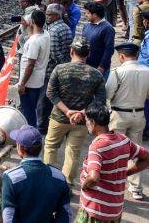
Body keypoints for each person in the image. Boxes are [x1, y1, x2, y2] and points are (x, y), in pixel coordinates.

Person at [43, 37, 105, 185]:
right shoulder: (96, 74)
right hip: (82, 122)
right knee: (73, 152)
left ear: (71, 51)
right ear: (88, 54)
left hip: (59, 118)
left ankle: (49, 182)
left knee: (51, 147)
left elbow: (51, 93)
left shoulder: (59, 69)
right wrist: (81, 113)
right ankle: (67, 184)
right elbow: (100, 100)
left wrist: (67, 111)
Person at [78, 103, 149, 221]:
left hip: (95, 210)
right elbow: (147, 158)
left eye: (86, 121)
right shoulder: (123, 140)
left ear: (93, 122)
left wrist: (84, 186)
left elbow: (93, 177)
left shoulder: (97, 146)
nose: (86, 124)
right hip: (114, 210)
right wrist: (124, 173)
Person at [105, 42, 149, 199]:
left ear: (121, 56)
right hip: (139, 114)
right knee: (136, 151)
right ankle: (135, 188)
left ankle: (113, 183)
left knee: (116, 151)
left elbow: (108, 94)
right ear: (136, 55)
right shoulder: (147, 71)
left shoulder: (118, 71)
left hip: (119, 116)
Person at [1, 125, 71, 223]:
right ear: (41, 148)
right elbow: (65, 214)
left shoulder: (11, 177)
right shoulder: (59, 176)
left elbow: (8, 215)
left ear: (20, 148)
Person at [38, 3, 73, 135]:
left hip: (51, 70)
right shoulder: (65, 27)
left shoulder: (52, 31)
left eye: (48, 14)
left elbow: (54, 53)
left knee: (44, 100)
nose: (46, 16)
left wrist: (60, 66)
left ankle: (42, 127)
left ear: (55, 15)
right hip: (62, 68)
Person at [17, 9, 51, 128]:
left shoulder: (34, 42)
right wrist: (29, 26)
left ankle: (30, 138)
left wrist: (22, 84)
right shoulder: (46, 34)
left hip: (29, 83)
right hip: (38, 80)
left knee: (28, 112)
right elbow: (34, 35)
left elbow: (30, 64)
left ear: (32, 22)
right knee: (33, 108)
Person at [81, 1, 115, 79]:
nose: (86, 15)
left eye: (88, 13)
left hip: (99, 67)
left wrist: (102, 66)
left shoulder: (107, 28)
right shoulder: (86, 25)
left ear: (95, 15)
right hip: (86, 65)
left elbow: (109, 50)